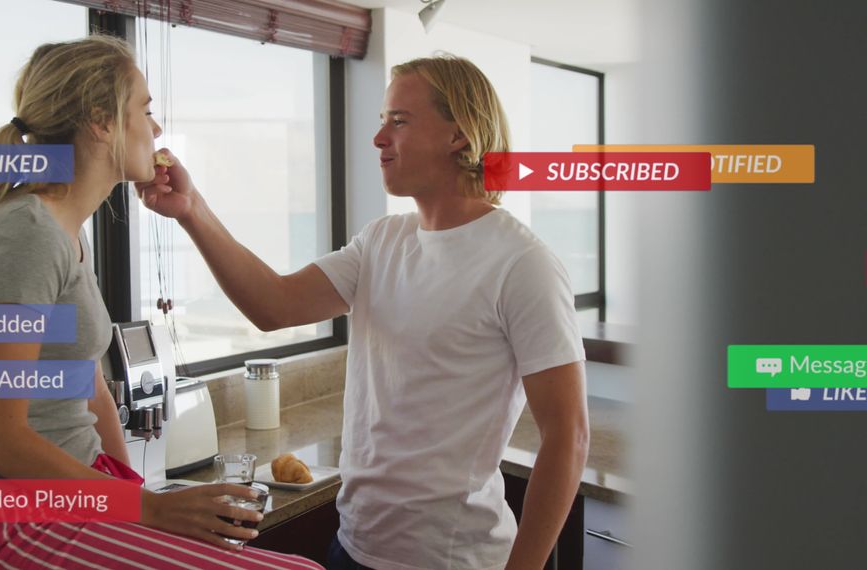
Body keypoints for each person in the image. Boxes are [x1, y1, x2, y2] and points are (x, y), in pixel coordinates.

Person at [136, 54, 589, 569]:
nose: (378, 138)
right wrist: (192, 211)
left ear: (458, 136)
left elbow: (568, 435)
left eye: (399, 121)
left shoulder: (521, 262)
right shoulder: (381, 241)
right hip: (354, 547)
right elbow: (273, 304)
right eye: (381, 121)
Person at [0, 35, 321, 570]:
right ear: (102, 121)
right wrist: (148, 512)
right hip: (14, 519)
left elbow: (87, 384)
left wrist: (137, 499)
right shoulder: (26, 235)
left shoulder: (66, 232)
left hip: (73, 494)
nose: (156, 128)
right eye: (145, 109)